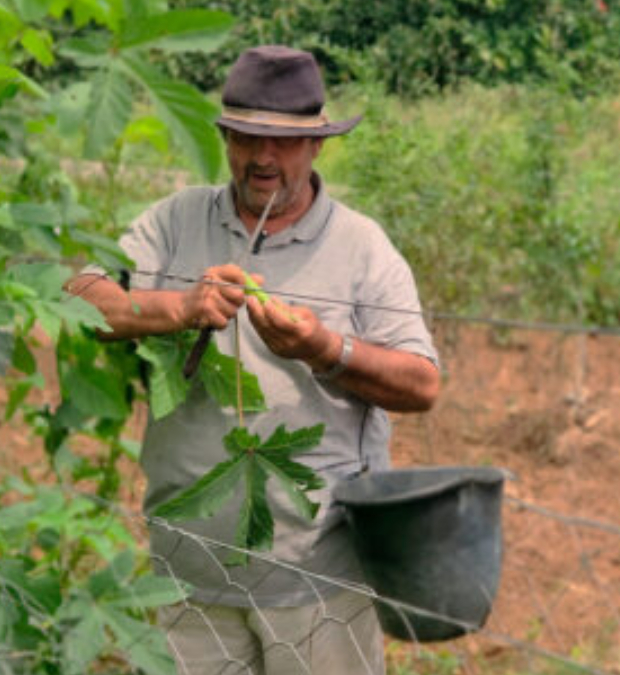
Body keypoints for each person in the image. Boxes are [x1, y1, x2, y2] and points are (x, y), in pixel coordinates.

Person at [67, 45, 440, 675]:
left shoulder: (361, 246)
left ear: (317, 145)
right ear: (225, 137)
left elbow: (422, 384)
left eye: (284, 142)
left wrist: (327, 350)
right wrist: (179, 308)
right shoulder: (178, 219)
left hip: (317, 582)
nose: (263, 157)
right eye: (245, 137)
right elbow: (80, 297)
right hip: (188, 576)